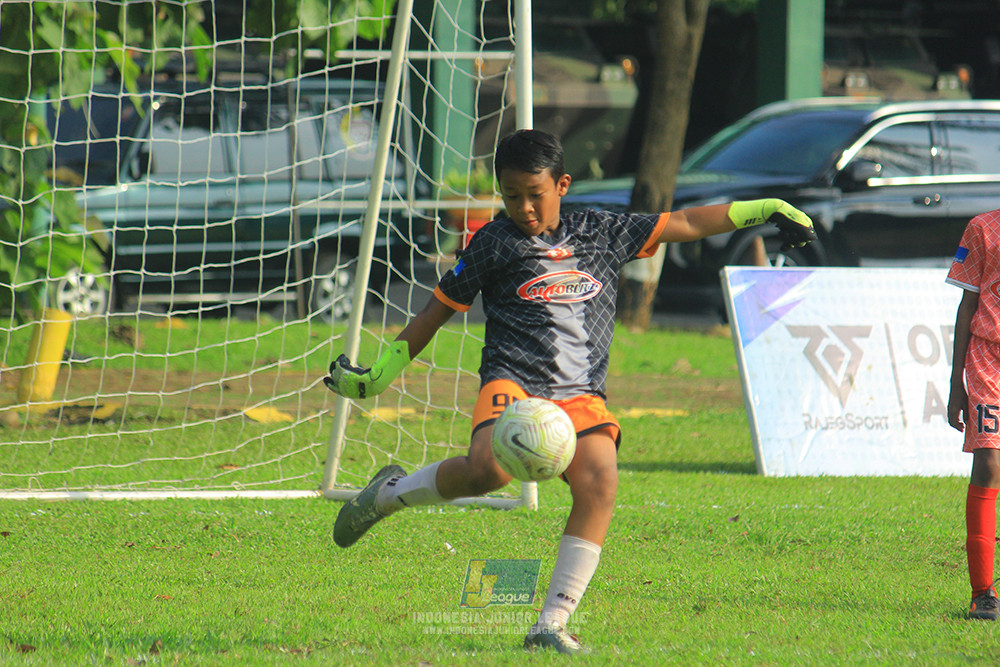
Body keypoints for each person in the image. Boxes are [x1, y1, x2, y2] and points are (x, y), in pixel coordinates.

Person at [324, 129, 816, 654]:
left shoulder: (601, 230)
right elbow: (434, 313)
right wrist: (378, 376)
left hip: (580, 393)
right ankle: (390, 494)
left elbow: (688, 222)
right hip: (513, 381)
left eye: (535, 194)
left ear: (562, 184)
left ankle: (550, 624)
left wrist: (767, 209)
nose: (524, 207)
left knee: (601, 482)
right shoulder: (493, 243)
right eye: (512, 196)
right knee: (486, 471)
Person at [947, 207, 1000, 621]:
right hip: (987, 360)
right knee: (989, 463)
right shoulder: (982, 228)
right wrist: (955, 385)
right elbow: (967, 306)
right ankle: (983, 592)